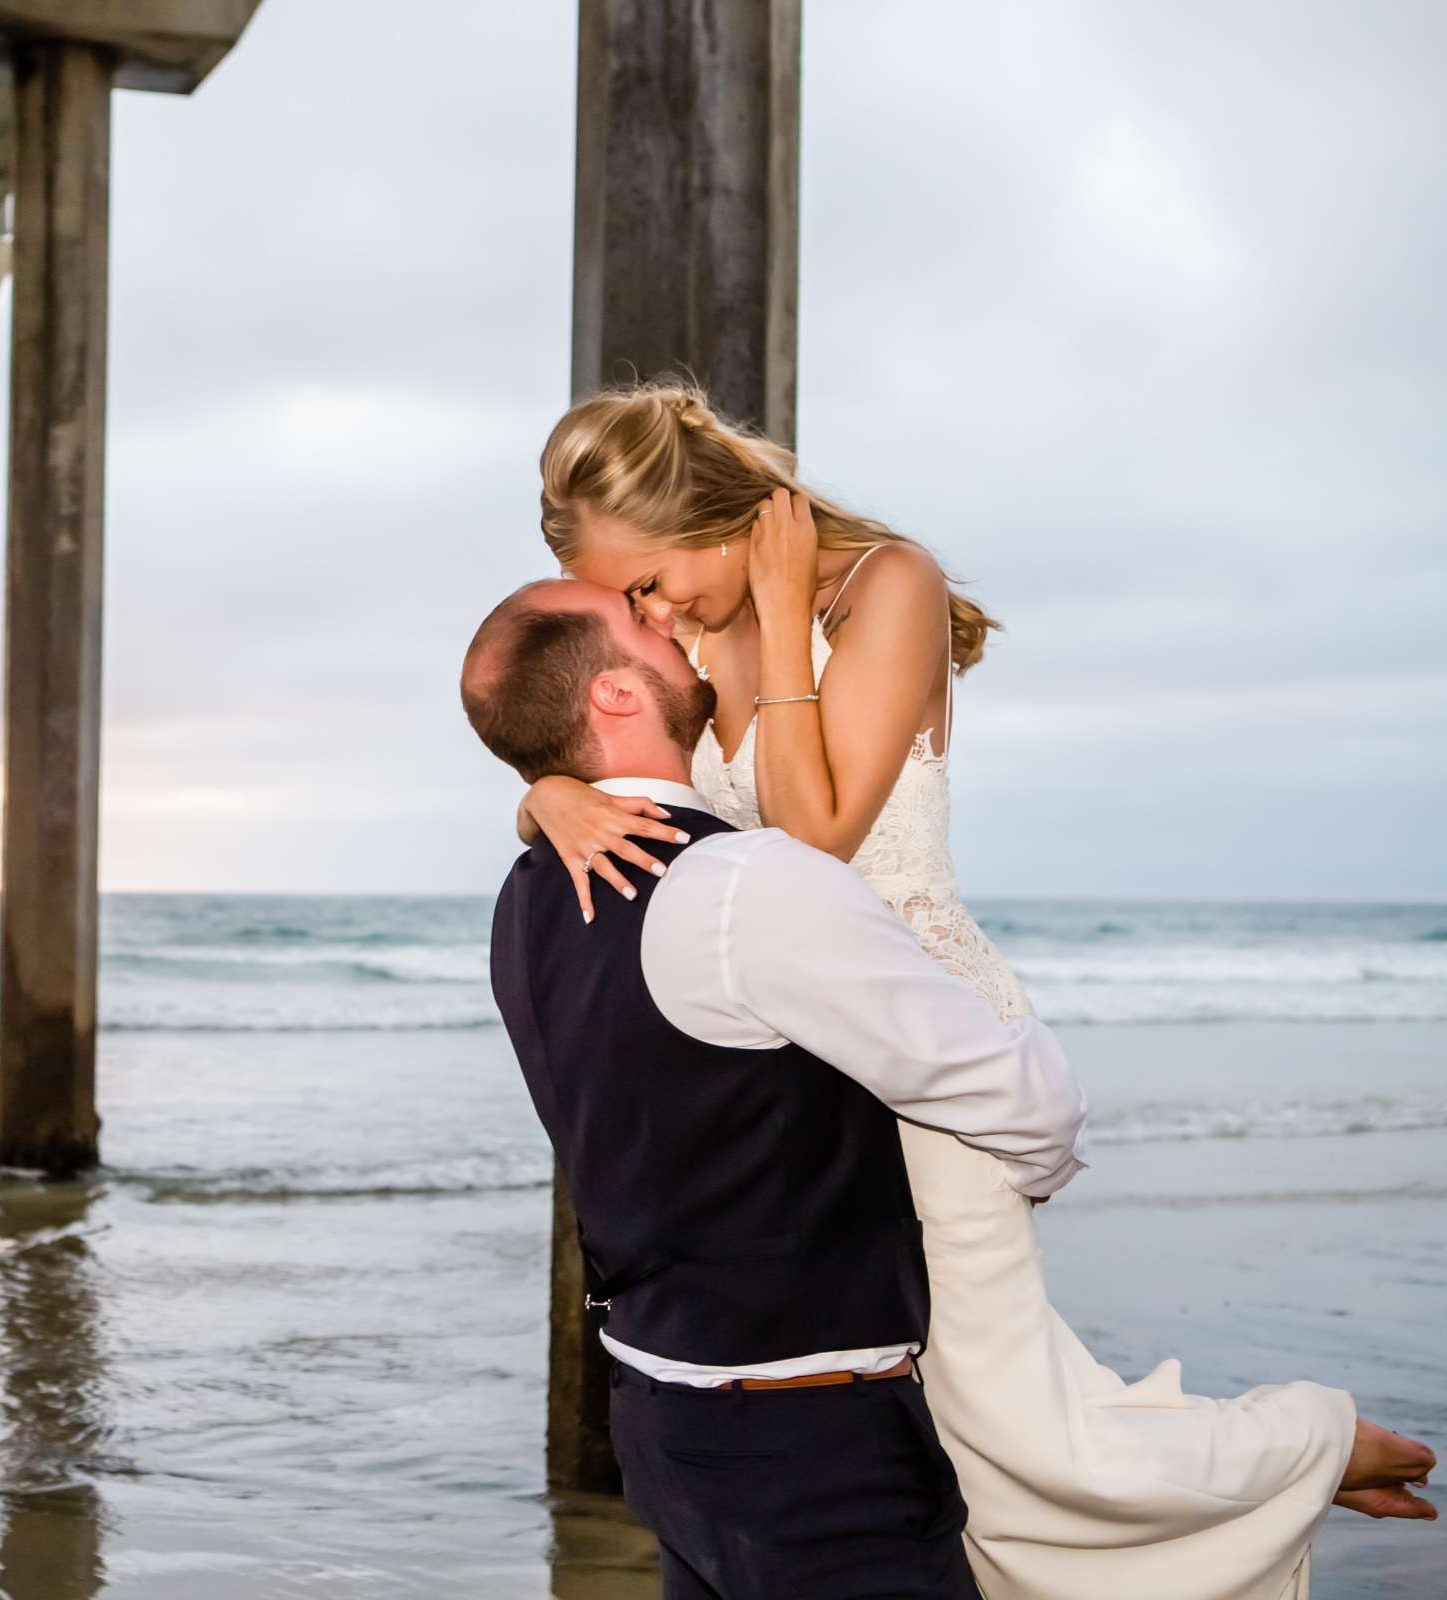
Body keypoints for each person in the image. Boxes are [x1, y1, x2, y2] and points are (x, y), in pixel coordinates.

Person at [512, 380, 1435, 1597]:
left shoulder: (889, 585)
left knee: (1015, 1425)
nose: (648, 611)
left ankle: (1313, 1441)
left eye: (647, 579)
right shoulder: (689, 629)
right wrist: (548, 793)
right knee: (950, 1428)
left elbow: (812, 837)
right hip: (812, 1093)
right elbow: (634, 763)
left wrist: (785, 620)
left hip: (936, 1053)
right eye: (627, 599)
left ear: (709, 510)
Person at [468, 578, 1088, 1596]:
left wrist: (545, 788)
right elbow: (1026, 1098)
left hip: (661, 1420)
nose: (668, 621)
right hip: (814, 1442)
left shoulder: (524, 892)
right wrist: (1019, 1186)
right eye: (642, 626)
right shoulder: (744, 881)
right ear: (616, 697)